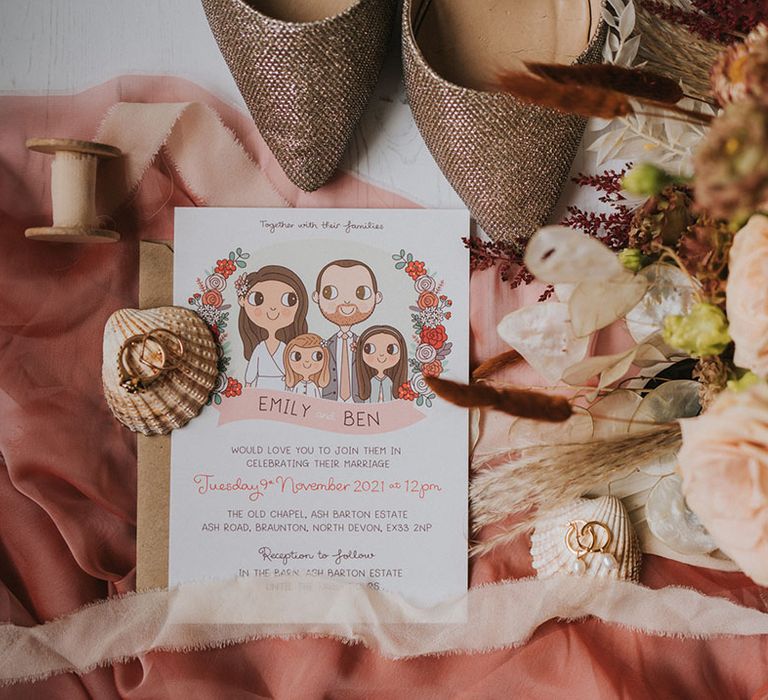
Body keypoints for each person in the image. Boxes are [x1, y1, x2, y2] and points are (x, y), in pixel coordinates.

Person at [312, 259, 382, 402]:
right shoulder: (323, 345)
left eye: (362, 293)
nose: (347, 301)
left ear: (377, 297)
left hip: (361, 402)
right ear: (316, 297)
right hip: (327, 403)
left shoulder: (367, 346)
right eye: (329, 292)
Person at [237, 265, 308, 390]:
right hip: (261, 387)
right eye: (258, 299)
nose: (273, 308)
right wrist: (248, 386)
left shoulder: (286, 348)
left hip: (283, 388)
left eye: (288, 300)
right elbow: (252, 370)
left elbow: (291, 370)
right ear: (243, 301)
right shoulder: (259, 349)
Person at [355, 325, 408, 403]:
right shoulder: (370, 383)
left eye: (391, 349)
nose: (381, 355)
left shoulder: (390, 382)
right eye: (369, 349)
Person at [283, 333, 330, 399]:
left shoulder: (314, 386)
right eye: (297, 356)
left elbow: (318, 401)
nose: (307, 362)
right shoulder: (297, 386)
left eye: (317, 356)